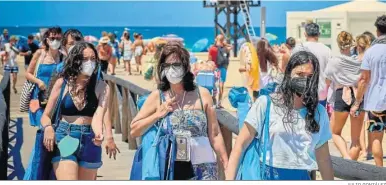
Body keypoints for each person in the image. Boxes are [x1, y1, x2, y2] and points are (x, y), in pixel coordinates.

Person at [225, 51, 334, 180]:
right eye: (299, 74)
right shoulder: (266, 104)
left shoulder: (319, 112)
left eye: (309, 76)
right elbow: (240, 146)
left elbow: (324, 159)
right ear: (288, 74)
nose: (304, 80)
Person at [130, 41, 228, 180]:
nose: (171, 69)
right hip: (172, 168)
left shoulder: (202, 94)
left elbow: (215, 134)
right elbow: (134, 130)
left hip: (205, 169)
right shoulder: (158, 96)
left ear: (186, 66)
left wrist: (225, 162)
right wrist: (158, 115)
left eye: (176, 65)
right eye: (167, 65)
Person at [40, 42, 109, 180]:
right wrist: (48, 127)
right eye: (85, 59)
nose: (90, 63)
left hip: (90, 140)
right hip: (66, 136)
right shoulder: (62, 83)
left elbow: (98, 115)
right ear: (76, 60)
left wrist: (100, 133)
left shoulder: (102, 87)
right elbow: (46, 115)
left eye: (93, 59)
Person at [350, 15, 386, 167]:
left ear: (377, 32)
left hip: (376, 102)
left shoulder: (371, 52)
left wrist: (357, 102)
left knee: (376, 138)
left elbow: (364, 79)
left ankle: (380, 173)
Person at [325, 31, 365, 160]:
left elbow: (327, 80)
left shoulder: (334, 61)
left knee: (335, 133)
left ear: (338, 44)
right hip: (358, 96)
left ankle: (346, 158)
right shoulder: (359, 61)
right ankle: (350, 166)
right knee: (356, 140)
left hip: (341, 94)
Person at [25, 27, 63, 127]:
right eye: (52, 38)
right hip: (40, 96)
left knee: (54, 127)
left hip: (56, 96)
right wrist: (38, 82)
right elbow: (28, 73)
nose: (55, 41)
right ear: (47, 40)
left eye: (58, 39)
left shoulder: (62, 56)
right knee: (42, 127)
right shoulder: (40, 54)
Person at [292, 22, 332, 108]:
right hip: (321, 92)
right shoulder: (327, 50)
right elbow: (329, 75)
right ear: (319, 34)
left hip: (302, 90)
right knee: (319, 118)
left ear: (305, 34)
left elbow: (292, 70)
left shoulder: (299, 48)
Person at [208, 34, 231, 108]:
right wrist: (225, 44)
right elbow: (231, 47)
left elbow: (209, 60)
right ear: (222, 40)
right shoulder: (225, 48)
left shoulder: (212, 48)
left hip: (214, 68)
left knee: (213, 85)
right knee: (221, 85)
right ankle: (219, 103)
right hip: (223, 68)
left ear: (216, 39)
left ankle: (213, 100)